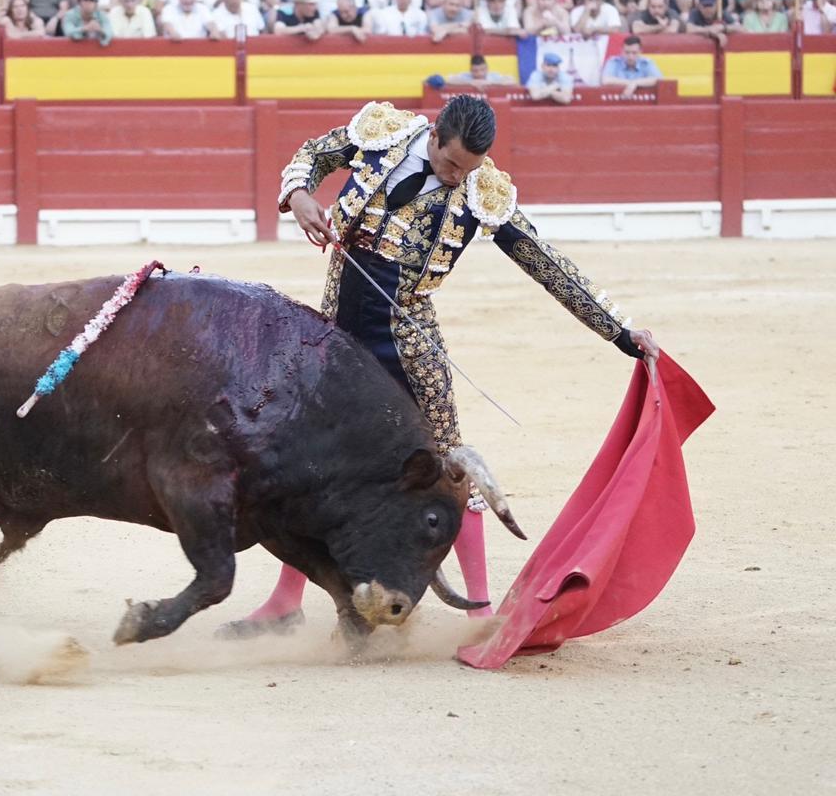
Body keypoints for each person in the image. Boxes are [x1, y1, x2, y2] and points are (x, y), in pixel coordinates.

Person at [218, 96, 659, 638]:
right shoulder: (384, 132)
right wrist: (299, 194)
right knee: (315, 462)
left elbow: (547, 265)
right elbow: (313, 154)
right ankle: (286, 601)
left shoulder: (482, 191)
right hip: (338, 330)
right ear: (434, 136)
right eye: (451, 165)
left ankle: (478, 612)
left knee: (453, 464)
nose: (457, 179)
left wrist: (620, 331)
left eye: (468, 170)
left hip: (407, 338)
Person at [447, 53, 516, 89]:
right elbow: (449, 80)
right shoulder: (467, 76)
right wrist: (470, 82)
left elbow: (511, 80)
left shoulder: (493, 76)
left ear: (487, 68)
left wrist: (489, 82)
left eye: (482, 70)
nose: (479, 73)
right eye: (475, 71)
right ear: (471, 70)